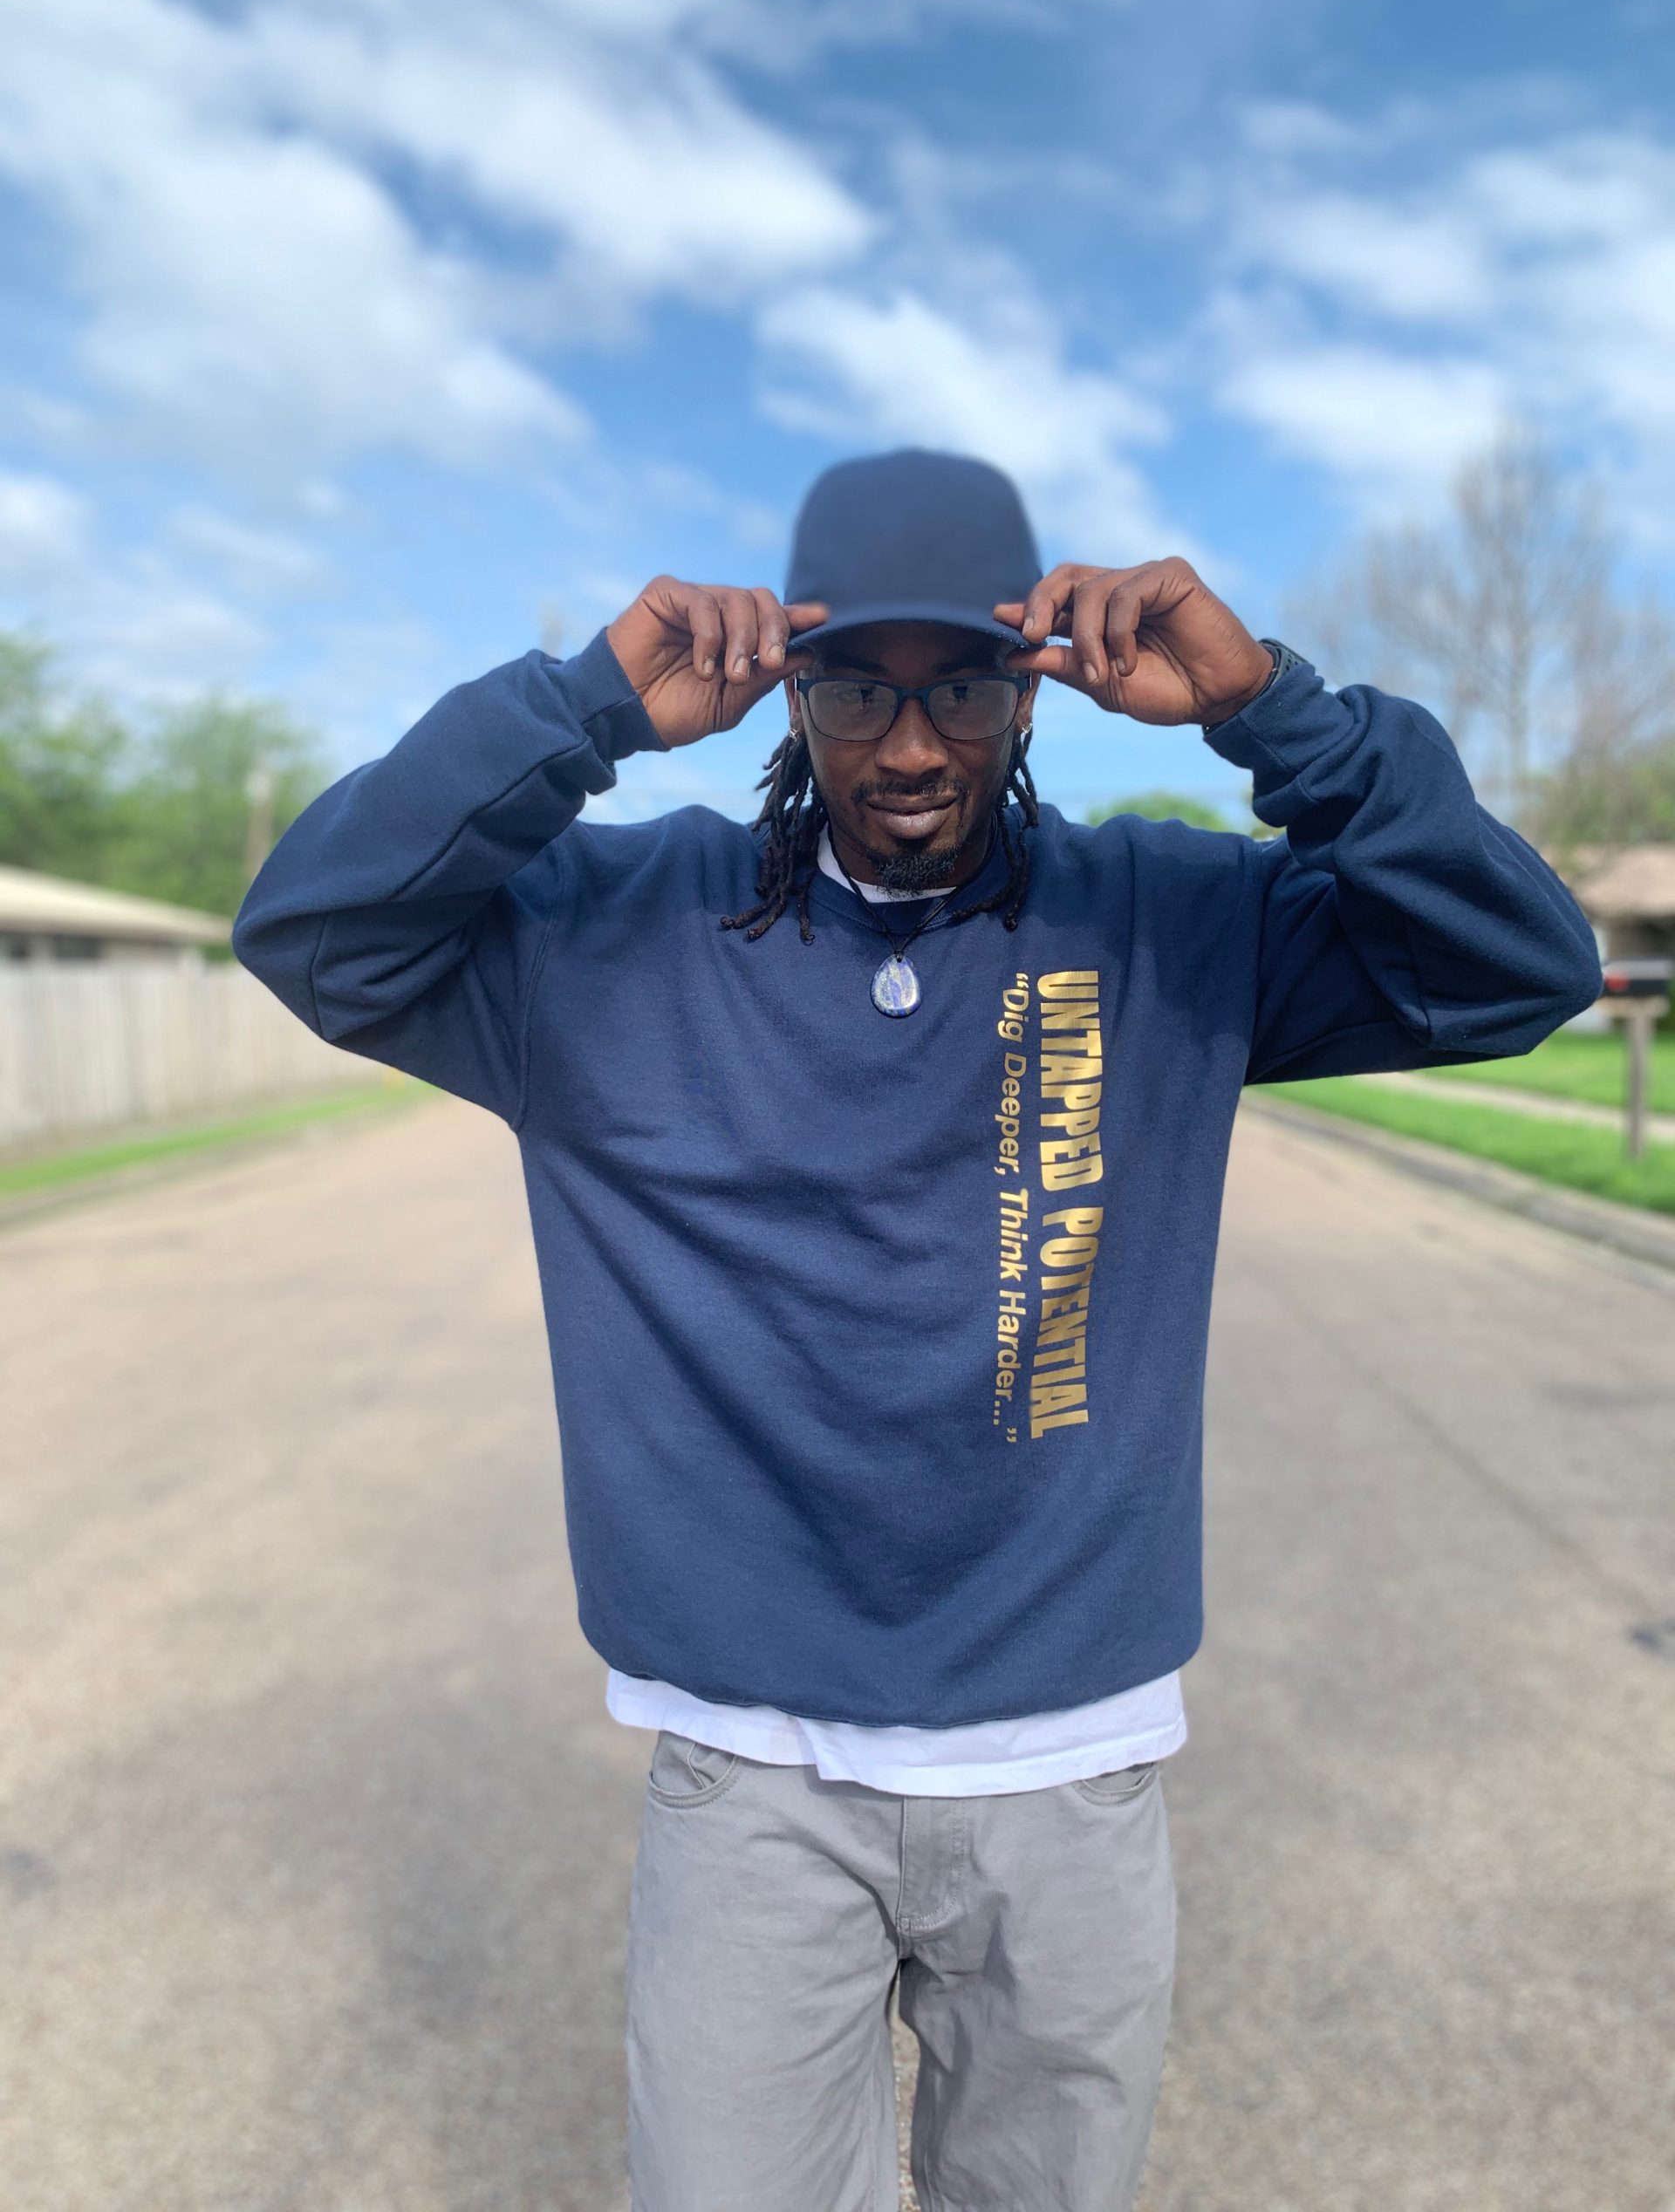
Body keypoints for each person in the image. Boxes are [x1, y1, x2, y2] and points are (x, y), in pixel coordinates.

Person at [233, 447, 1603, 2211]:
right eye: (856, 688)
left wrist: (1275, 711)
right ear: (787, 685)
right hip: (752, 1769)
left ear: (1032, 686)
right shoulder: (609, 933)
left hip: (1072, 1761)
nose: (906, 746)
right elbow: (317, 929)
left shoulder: (1168, 920)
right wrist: (580, 709)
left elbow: (1516, 967)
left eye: (958, 686)